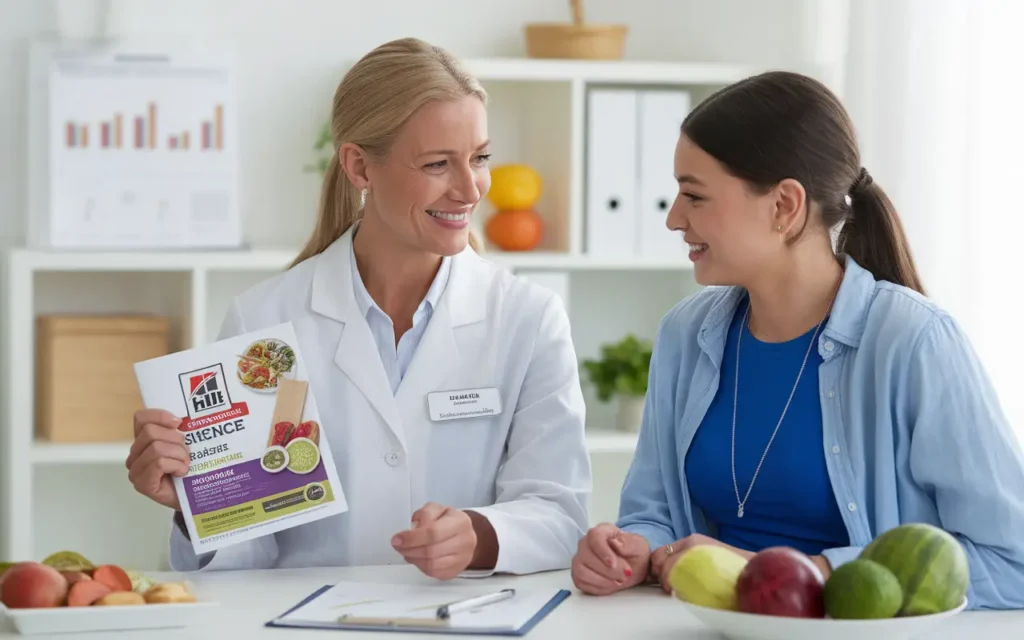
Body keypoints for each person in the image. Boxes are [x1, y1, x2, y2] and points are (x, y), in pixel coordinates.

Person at [126, 37, 592, 579]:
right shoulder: (266, 323)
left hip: (464, 618)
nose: (471, 189)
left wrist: (480, 536)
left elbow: (561, 515)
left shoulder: (529, 319)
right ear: (359, 166)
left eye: (481, 158)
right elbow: (246, 552)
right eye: (439, 163)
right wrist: (194, 505)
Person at [570, 70, 1024, 610]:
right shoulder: (685, 335)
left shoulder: (914, 341)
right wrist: (631, 547)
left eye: (694, 195)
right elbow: (654, 510)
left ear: (784, 206)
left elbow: (1010, 559)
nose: (673, 218)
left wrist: (812, 572)